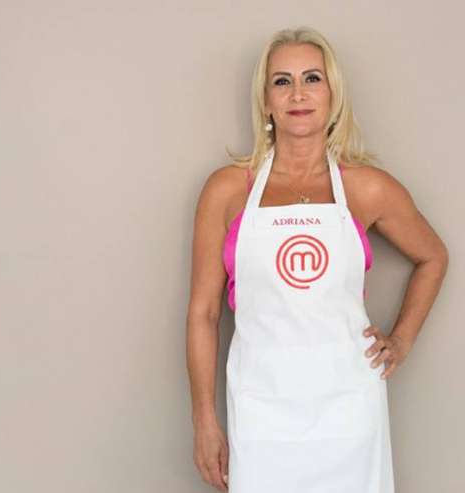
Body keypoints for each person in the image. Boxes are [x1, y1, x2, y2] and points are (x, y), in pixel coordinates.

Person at [187, 26, 448, 492]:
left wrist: (402, 340)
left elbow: (433, 256)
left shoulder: (367, 188)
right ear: (265, 100)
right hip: (261, 408)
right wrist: (204, 419)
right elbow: (203, 313)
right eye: (282, 81)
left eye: (312, 78)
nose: (298, 94)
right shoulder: (227, 190)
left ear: (333, 94)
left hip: (349, 407)